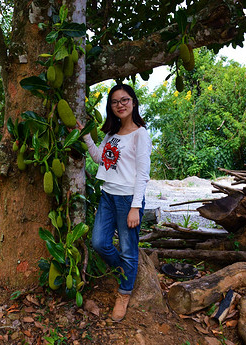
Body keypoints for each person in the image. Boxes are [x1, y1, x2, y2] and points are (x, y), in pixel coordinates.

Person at [78, 84, 152, 322]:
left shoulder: (141, 134)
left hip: (128, 199)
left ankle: (124, 292)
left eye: (125, 100)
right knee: (99, 243)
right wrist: (86, 136)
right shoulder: (111, 134)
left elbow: (142, 174)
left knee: (129, 250)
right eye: (115, 101)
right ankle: (125, 272)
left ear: (133, 102)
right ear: (110, 107)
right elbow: (100, 159)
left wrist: (135, 207)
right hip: (108, 196)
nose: (120, 104)